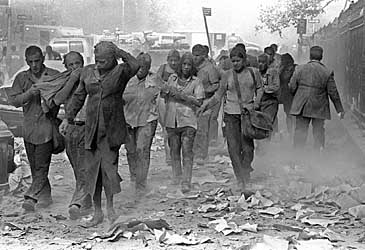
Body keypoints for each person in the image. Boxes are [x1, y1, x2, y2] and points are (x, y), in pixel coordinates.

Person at [60, 41, 139, 226]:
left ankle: (110, 207)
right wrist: (68, 118)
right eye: (97, 60)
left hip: (111, 129)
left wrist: (118, 51)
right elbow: (79, 96)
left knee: (109, 170)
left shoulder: (120, 72)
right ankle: (97, 212)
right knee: (92, 172)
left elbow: (135, 65)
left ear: (113, 59)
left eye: (104, 61)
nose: (99, 64)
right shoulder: (88, 72)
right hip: (92, 129)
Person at [198, 47, 263, 189]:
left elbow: (260, 89)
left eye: (238, 61)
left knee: (247, 148)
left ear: (244, 60)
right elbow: (218, 95)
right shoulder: (227, 76)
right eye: (233, 61)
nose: (235, 64)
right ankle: (240, 178)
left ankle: (246, 171)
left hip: (247, 115)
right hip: (231, 115)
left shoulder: (253, 73)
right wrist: (206, 106)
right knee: (233, 148)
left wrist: (256, 104)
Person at [8, 45, 60, 212]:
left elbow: (63, 96)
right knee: (33, 164)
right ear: (27, 61)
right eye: (31, 62)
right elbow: (14, 101)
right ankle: (46, 195)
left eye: (37, 61)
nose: (34, 65)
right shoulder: (22, 78)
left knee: (42, 165)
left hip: (47, 126)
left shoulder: (52, 75)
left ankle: (32, 197)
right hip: (29, 128)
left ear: (43, 59)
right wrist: (30, 93)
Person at [49, 51, 92, 220]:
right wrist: (73, 79)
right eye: (71, 65)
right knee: (77, 167)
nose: (75, 68)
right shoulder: (66, 80)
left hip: (88, 128)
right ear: (66, 67)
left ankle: (78, 202)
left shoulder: (90, 78)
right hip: (71, 129)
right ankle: (86, 200)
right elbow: (58, 100)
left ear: (83, 63)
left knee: (84, 167)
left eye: (77, 64)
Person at [161, 52, 204, 192]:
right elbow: (164, 94)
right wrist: (166, 91)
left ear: (192, 67)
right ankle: (177, 177)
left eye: (189, 65)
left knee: (187, 152)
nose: (186, 67)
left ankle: (186, 181)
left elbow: (199, 101)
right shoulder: (172, 78)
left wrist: (182, 96)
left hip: (188, 120)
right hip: (171, 119)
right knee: (174, 151)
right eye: (184, 64)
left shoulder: (196, 82)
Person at [289, 46, 344, 152]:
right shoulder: (327, 72)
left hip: (302, 105)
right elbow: (333, 92)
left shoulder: (299, 69)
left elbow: (292, 87)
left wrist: (298, 96)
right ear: (321, 56)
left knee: (300, 130)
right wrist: (339, 109)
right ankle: (318, 154)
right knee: (318, 130)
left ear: (310, 56)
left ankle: (297, 157)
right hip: (319, 106)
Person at [123, 52, 159, 195]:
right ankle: (134, 178)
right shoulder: (126, 80)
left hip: (147, 119)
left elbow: (169, 91)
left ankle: (141, 183)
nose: (141, 69)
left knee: (142, 150)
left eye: (145, 67)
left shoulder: (155, 79)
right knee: (131, 150)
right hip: (128, 119)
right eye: (139, 66)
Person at [192, 44, 221, 164]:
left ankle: (201, 154)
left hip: (205, 101)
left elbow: (216, 85)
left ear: (203, 56)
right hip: (192, 101)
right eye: (193, 55)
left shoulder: (210, 68)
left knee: (202, 129)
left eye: (197, 56)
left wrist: (204, 89)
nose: (195, 58)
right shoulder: (192, 67)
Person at [156, 49, 180, 166]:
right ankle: (168, 156)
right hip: (164, 100)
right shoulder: (163, 68)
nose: (174, 63)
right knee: (166, 128)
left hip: (177, 100)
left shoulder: (182, 69)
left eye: (176, 60)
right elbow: (157, 80)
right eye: (172, 60)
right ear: (168, 60)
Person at [278, 53, 296, 135]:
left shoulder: (282, 70)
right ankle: (293, 133)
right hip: (293, 95)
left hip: (289, 95)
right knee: (293, 115)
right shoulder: (296, 68)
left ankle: (291, 133)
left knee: (289, 115)